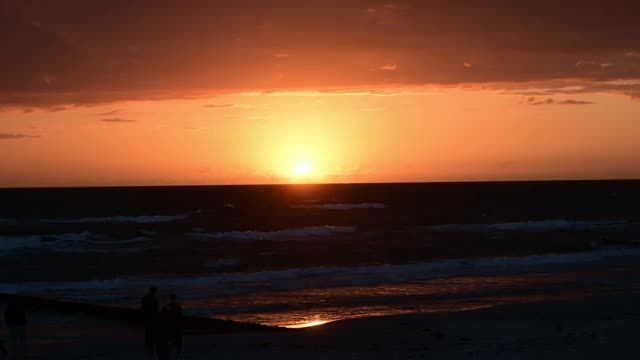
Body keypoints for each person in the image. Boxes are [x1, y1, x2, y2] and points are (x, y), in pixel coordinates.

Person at [140, 287, 159, 357]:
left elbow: (142, 308)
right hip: (152, 318)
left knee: (148, 332)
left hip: (147, 317)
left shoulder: (145, 298)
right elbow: (156, 310)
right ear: (154, 291)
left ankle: (148, 345)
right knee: (152, 332)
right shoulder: (154, 299)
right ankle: (150, 346)